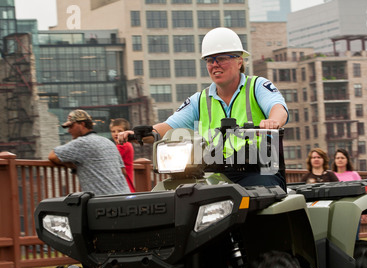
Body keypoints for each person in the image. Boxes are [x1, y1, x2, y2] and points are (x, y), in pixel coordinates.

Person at [118, 27, 289, 190]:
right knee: (179, 196)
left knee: (259, 199)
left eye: (221, 58)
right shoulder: (199, 100)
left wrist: (272, 121)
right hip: (214, 173)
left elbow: (278, 108)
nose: (215, 64)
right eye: (210, 60)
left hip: (258, 170)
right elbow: (168, 127)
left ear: (239, 61)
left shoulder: (257, 86)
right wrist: (139, 134)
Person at [48, 109, 130, 196]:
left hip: (104, 201)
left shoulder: (82, 143)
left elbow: (52, 156)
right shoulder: (108, 142)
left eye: (71, 126)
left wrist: (70, 165)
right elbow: (123, 171)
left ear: (82, 124)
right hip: (124, 196)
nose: (69, 130)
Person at [110, 118, 136, 192]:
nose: (116, 133)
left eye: (120, 131)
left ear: (125, 132)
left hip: (123, 186)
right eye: (113, 131)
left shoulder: (123, 145)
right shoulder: (126, 144)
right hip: (125, 186)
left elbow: (109, 158)